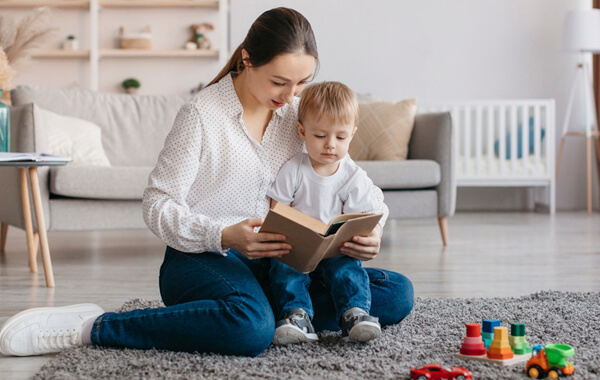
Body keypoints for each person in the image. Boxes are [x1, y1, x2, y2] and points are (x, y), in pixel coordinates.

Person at [0, 7, 414, 358]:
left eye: (301, 84)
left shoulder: (299, 119)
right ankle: (96, 326)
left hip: (280, 264)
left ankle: (280, 312)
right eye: (279, 82)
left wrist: (371, 231)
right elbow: (157, 205)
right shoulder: (201, 114)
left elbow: (357, 181)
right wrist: (225, 235)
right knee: (249, 330)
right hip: (203, 256)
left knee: (396, 293)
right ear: (248, 60)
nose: (290, 97)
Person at [268, 81, 383, 345]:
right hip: (298, 250)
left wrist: (361, 237)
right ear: (302, 131)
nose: (330, 145)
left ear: (352, 134)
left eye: (340, 137)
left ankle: (354, 314)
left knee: (349, 269)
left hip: (335, 251)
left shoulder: (353, 176)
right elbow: (277, 209)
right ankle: (297, 316)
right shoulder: (294, 169)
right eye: (320, 136)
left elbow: (360, 219)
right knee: (284, 269)